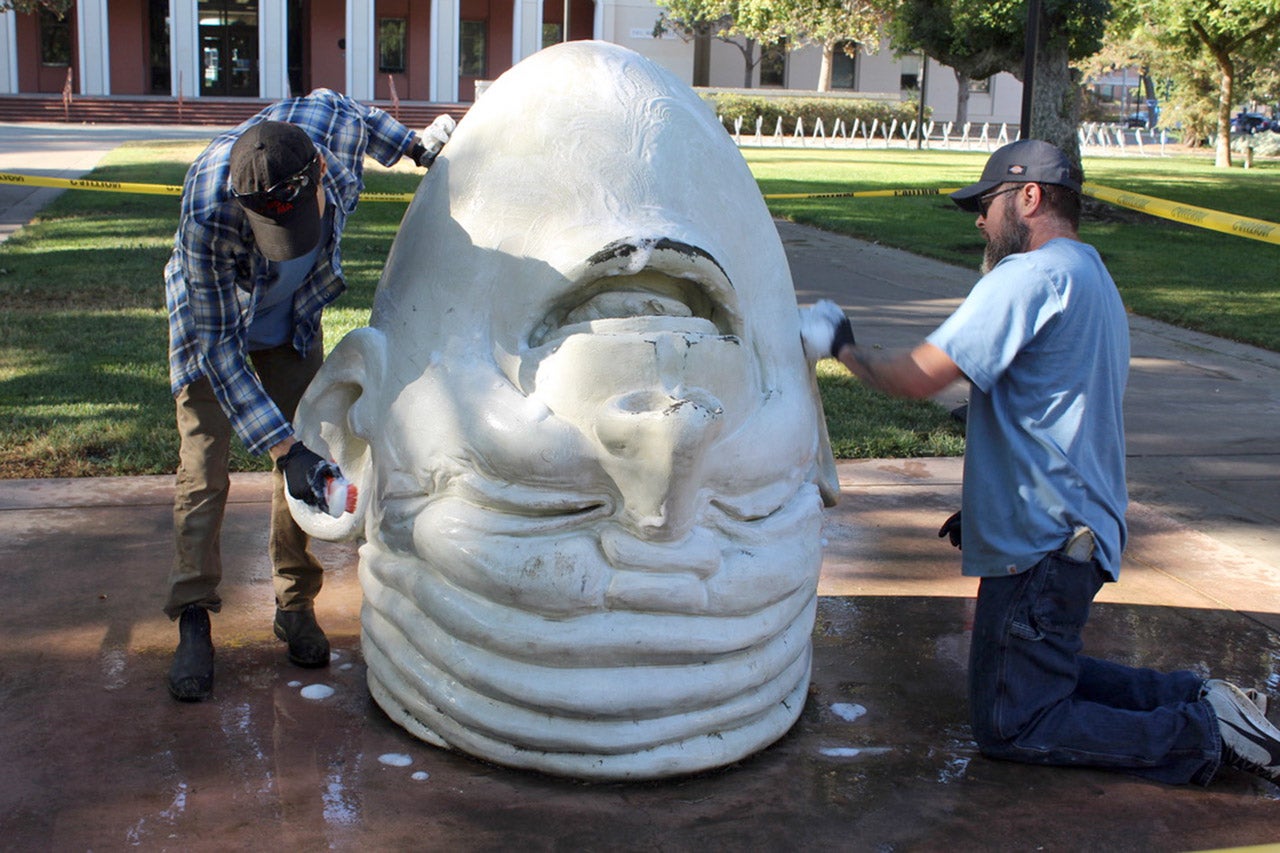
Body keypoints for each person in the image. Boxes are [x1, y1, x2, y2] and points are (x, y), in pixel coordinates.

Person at [800, 138, 1280, 786]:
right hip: (1067, 529)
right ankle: (1198, 699)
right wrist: (987, 503)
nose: (979, 219)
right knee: (1027, 671)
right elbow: (1051, 409)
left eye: (986, 203)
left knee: (1013, 720)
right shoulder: (1091, 275)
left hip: (1046, 543)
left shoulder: (1030, 276)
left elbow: (917, 376)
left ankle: (1204, 734)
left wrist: (841, 343)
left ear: (1028, 197)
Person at [163, 88, 455, 702]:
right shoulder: (208, 210)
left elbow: (367, 119)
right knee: (203, 468)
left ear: (321, 171)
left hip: (292, 318)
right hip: (216, 318)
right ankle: (193, 613)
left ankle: (294, 606)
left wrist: (420, 149)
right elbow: (218, 351)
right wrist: (280, 447)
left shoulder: (332, 128)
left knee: (311, 452)